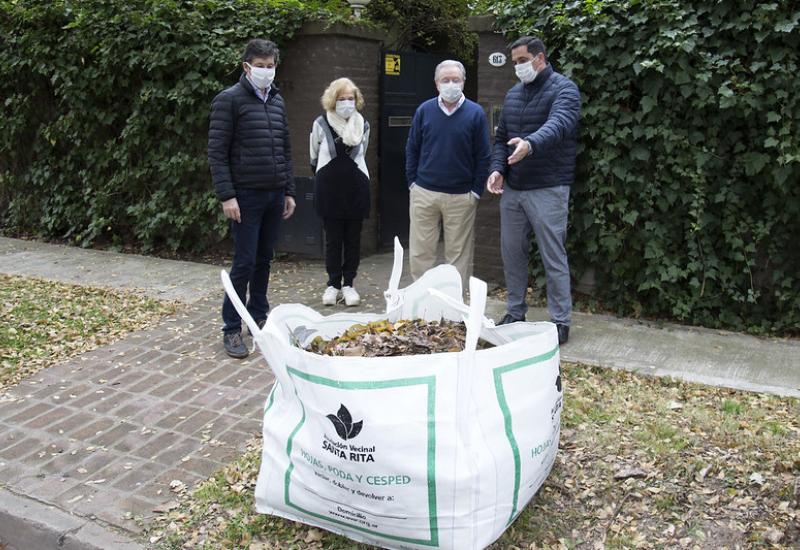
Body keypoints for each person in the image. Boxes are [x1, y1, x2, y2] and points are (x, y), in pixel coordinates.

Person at [486, 36, 581, 345]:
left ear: (540, 58)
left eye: (522, 61)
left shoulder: (564, 89)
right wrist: (498, 169)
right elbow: (502, 139)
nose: (518, 67)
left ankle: (560, 321)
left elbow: (561, 124)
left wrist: (530, 144)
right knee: (512, 253)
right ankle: (515, 312)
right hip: (514, 188)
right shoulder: (513, 95)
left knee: (553, 254)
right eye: (514, 63)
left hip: (549, 187)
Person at [208, 38, 296, 358]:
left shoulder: (276, 100)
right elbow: (217, 153)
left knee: (264, 259)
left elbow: (284, 148)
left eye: (270, 66)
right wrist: (227, 195)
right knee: (243, 262)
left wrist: (289, 190)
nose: (266, 71)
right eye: (260, 66)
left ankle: (259, 316)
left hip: (274, 194)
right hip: (245, 196)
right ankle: (231, 326)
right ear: (247, 67)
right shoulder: (228, 100)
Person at [405, 60, 491, 288]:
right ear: (436, 83)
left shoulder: (475, 113)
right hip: (424, 193)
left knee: (458, 259)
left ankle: (453, 311)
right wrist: (412, 183)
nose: (451, 84)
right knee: (421, 254)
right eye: (446, 80)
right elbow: (412, 148)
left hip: (461, 196)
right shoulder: (424, 110)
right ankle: (421, 307)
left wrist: (475, 191)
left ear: (463, 82)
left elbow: (483, 156)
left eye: (456, 80)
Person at [309, 78, 370, 306]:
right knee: (333, 240)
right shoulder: (320, 123)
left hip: (356, 187)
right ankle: (333, 284)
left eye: (350, 98)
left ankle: (349, 285)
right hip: (329, 189)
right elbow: (313, 155)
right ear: (333, 100)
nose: (346, 102)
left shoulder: (363, 124)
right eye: (342, 98)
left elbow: (363, 151)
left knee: (353, 240)